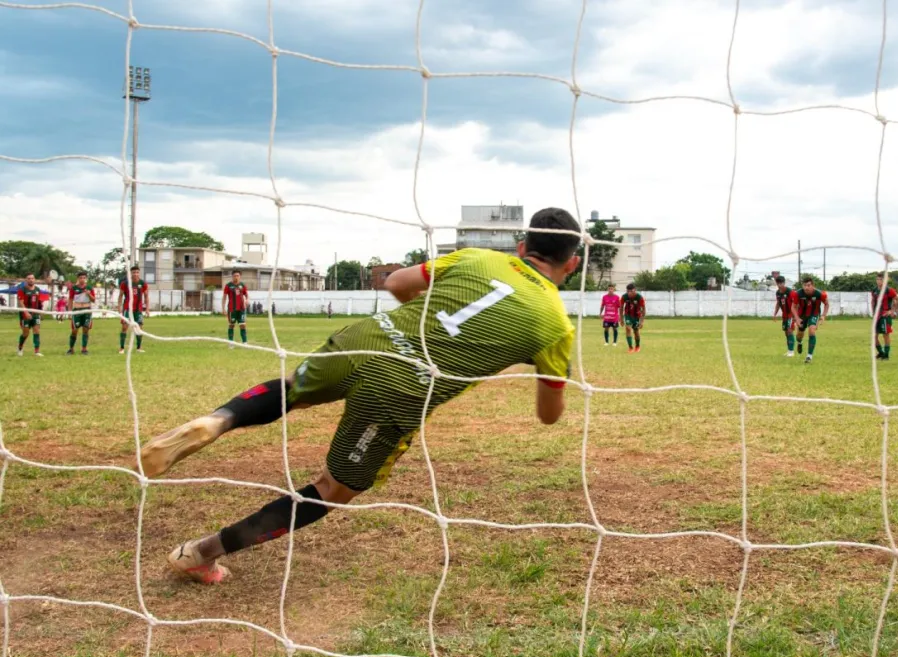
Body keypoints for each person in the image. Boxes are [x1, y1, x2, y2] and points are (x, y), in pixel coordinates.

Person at [140, 207, 582, 584]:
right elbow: (548, 415)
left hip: (365, 339)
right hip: (402, 387)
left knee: (293, 390)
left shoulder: (479, 257)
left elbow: (396, 283)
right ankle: (202, 553)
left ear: (522, 248)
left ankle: (218, 420)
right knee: (333, 489)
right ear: (573, 263)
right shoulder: (555, 325)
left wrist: (418, 310)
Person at [792, 278, 829, 364]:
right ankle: (799, 342)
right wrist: (797, 318)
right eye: (804, 285)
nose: (806, 287)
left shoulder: (820, 294)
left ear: (813, 286)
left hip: (814, 314)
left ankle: (809, 356)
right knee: (799, 335)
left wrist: (823, 315)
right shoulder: (797, 294)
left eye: (808, 285)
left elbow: (827, 304)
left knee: (812, 331)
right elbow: (793, 307)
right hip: (802, 316)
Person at [871, 273, 898, 361]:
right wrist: (873, 313)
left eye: (881, 279)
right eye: (877, 279)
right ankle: (881, 352)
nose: (879, 281)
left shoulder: (889, 290)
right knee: (874, 336)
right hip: (877, 316)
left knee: (885, 335)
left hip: (885, 316)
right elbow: (873, 302)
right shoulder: (874, 290)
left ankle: (886, 355)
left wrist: (891, 311)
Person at [118, 266, 149, 354]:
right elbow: (120, 296)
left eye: (137, 272)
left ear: (139, 273)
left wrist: (147, 309)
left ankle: (139, 348)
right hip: (127, 309)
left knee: (139, 328)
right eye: (133, 272)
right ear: (130, 273)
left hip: (138, 310)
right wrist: (119, 307)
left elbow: (146, 297)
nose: (135, 274)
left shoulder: (143, 283)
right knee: (124, 327)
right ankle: (121, 348)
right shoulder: (125, 283)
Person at [67, 271, 97, 355]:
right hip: (77, 310)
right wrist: (69, 312)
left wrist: (89, 294)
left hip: (87, 310)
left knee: (86, 329)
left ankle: (84, 349)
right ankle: (71, 348)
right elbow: (70, 300)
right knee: (74, 330)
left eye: (84, 278)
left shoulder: (89, 288)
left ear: (86, 279)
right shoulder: (74, 288)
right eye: (80, 278)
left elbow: (94, 300)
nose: (82, 280)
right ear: (78, 279)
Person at [16, 274, 45, 357]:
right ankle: (20, 348)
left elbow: (39, 302)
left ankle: (37, 351)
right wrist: (26, 312)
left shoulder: (37, 289)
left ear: (34, 279)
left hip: (35, 314)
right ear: (26, 280)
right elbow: (20, 302)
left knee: (36, 331)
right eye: (29, 278)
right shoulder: (22, 289)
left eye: (32, 278)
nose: (31, 280)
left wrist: (40, 312)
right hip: (25, 314)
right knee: (25, 333)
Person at [772, 275, 799, 357]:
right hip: (784, 315)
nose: (780, 285)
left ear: (784, 283)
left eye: (781, 283)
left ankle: (791, 352)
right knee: (786, 333)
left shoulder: (791, 292)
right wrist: (775, 314)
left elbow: (797, 304)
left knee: (790, 330)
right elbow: (778, 303)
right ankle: (789, 350)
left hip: (791, 314)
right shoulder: (778, 293)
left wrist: (795, 315)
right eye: (778, 283)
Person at [223, 270, 250, 347]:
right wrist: (223, 308)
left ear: (240, 276)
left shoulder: (242, 285)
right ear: (232, 276)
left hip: (242, 309)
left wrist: (247, 299)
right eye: (234, 276)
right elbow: (224, 297)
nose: (236, 277)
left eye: (237, 275)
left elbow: (246, 295)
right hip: (232, 309)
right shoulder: (228, 286)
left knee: (243, 325)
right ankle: (231, 343)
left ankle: (245, 343)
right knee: (231, 325)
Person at [620, 283, 645, 353]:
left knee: (636, 331)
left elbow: (643, 309)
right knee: (628, 328)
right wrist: (621, 319)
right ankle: (630, 348)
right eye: (628, 291)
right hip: (628, 315)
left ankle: (637, 346)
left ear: (634, 290)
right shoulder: (624, 297)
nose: (629, 293)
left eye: (631, 291)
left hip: (637, 316)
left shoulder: (639, 297)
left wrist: (642, 321)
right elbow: (621, 308)